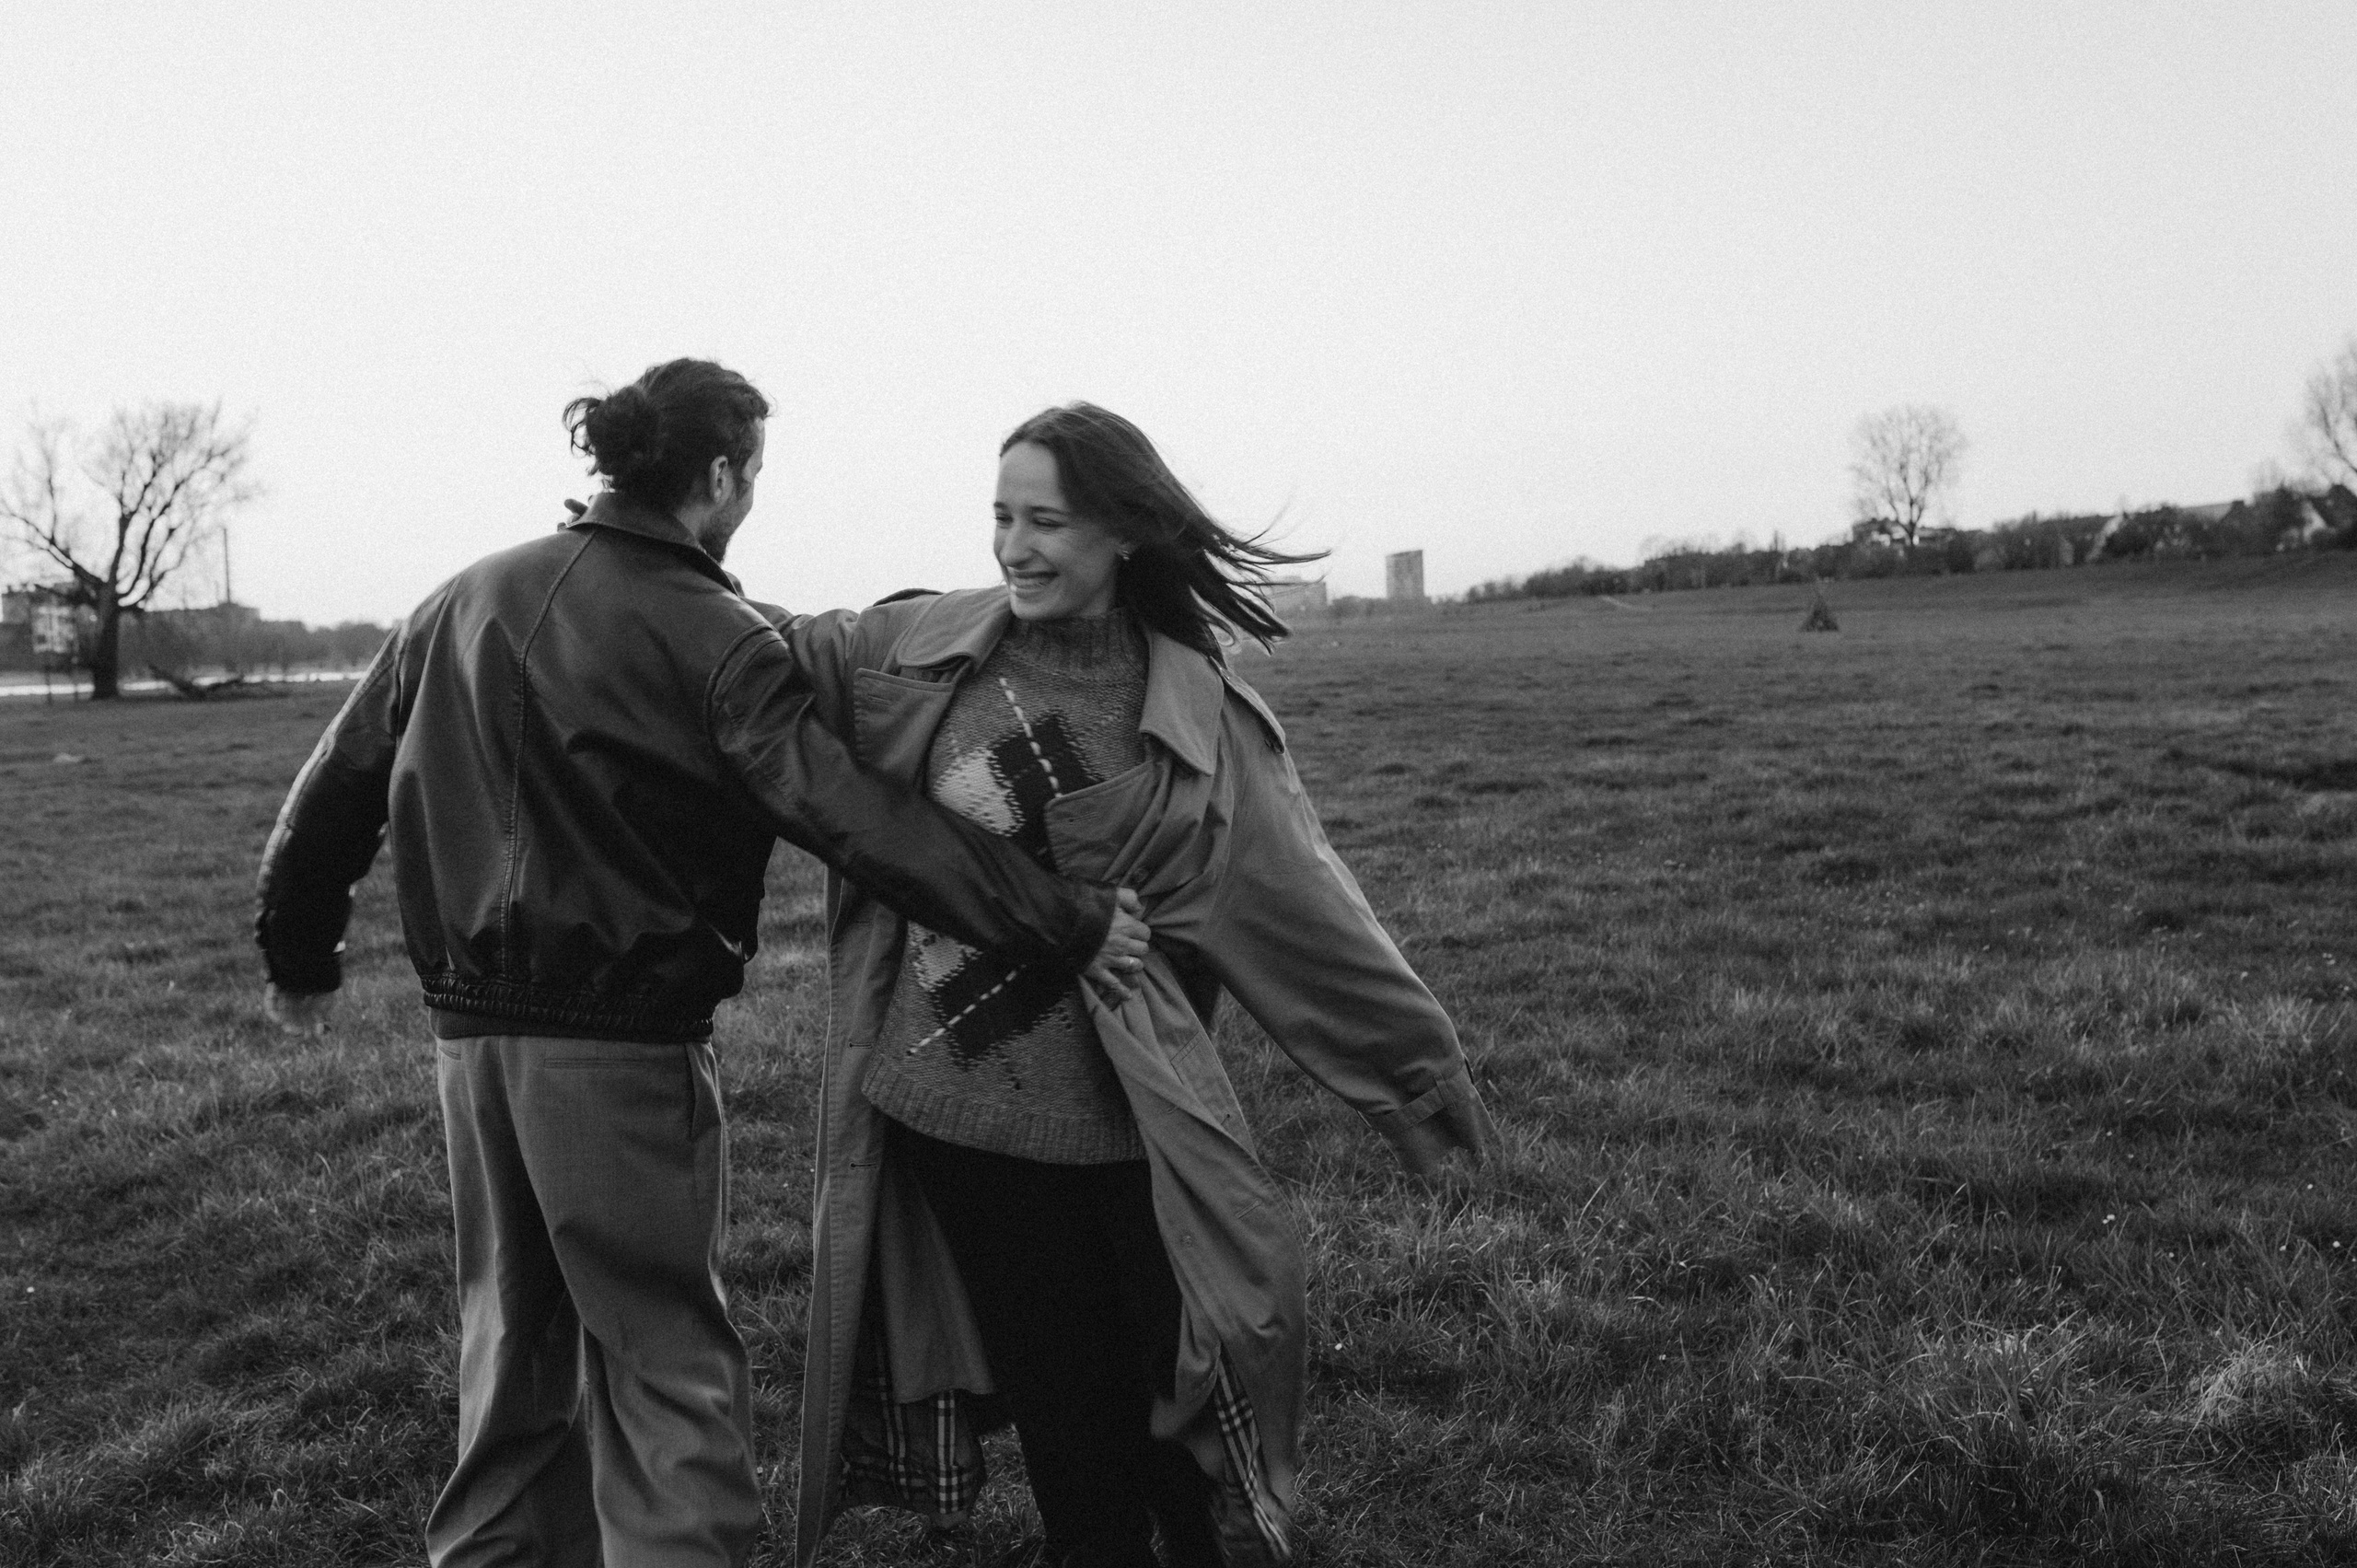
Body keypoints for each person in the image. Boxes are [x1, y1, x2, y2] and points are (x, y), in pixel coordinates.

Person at [252, 361, 1150, 1568]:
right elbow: (857, 820)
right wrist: (1068, 916)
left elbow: (337, 783)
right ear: (720, 473)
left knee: (509, 1353)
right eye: (754, 472)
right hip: (620, 1050)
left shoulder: (465, 594)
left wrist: (299, 953)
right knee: (664, 1362)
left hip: (469, 1050)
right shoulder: (712, 635)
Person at [781, 402, 1492, 1568]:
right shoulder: (911, 648)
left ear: (1123, 532)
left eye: (1046, 520)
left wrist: (1412, 1080)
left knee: (1179, 1404)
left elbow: (1306, 907)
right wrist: (637, 560)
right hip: (956, 1118)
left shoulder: (1196, 711)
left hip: (1128, 1121)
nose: (1014, 544)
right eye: (1002, 515)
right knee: (1071, 1434)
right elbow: (752, 655)